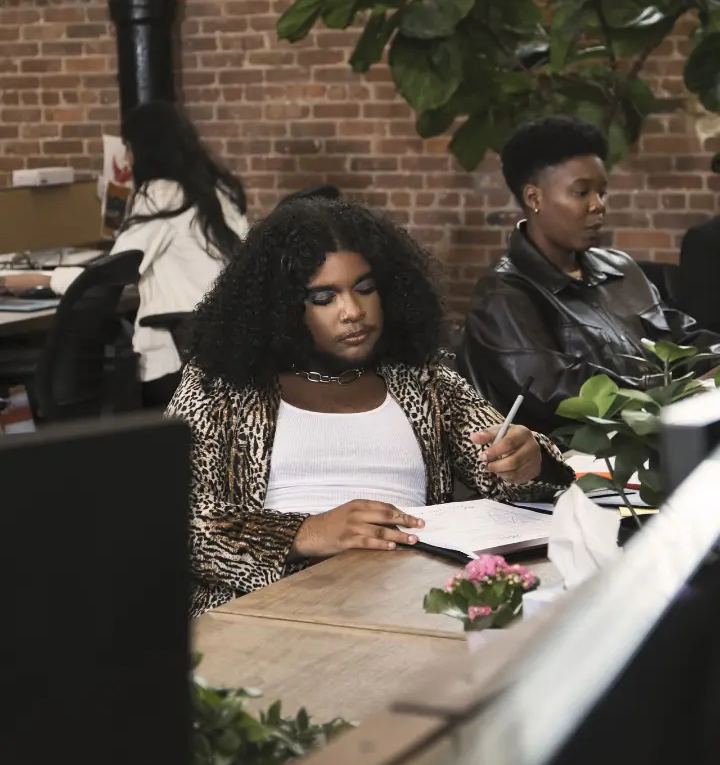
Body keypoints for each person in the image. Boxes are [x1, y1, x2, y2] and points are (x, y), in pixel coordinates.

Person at [167, 198, 573, 617]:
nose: (353, 312)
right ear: (283, 308)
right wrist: (303, 532)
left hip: (409, 604)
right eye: (324, 297)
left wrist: (531, 462)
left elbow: (510, 478)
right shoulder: (221, 387)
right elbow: (167, 521)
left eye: (364, 288)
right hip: (264, 616)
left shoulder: (423, 381)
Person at [460, 116, 720, 435]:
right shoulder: (504, 295)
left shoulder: (619, 267)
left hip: (661, 442)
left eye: (602, 192)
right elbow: (563, 395)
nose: (598, 206)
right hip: (577, 467)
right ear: (534, 198)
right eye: (581, 193)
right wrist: (684, 390)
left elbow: (682, 339)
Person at [0, 101, 249, 407]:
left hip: (178, 366)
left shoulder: (162, 195)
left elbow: (109, 273)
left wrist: (36, 278)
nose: (127, 160)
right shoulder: (219, 193)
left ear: (147, 150)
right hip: (232, 361)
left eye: (129, 148)